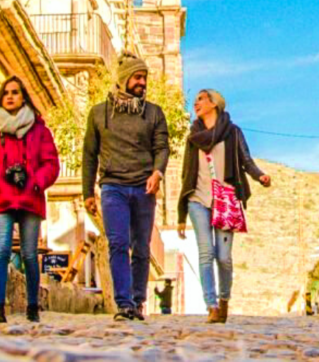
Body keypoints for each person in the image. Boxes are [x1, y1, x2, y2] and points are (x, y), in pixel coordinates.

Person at [83, 52, 170, 321]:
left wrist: (158, 172)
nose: (142, 82)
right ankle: (123, 304)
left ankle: (138, 301)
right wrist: (87, 192)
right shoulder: (99, 114)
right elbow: (89, 153)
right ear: (123, 80)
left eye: (144, 78)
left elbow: (162, 147)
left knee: (141, 247)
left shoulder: (154, 113)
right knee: (118, 243)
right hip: (113, 188)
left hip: (144, 187)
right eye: (137, 77)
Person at [177, 89, 270, 324]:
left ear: (214, 104)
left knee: (224, 257)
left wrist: (260, 177)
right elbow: (186, 175)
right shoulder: (193, 137)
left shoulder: (233, 133)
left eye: (201, 99)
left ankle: (224, 298)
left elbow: (246, 160)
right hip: (198, 200)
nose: (196, 103)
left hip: (225, 200)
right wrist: (180, 213)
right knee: (206, 252)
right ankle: (211, 306)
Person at [0, 76, 60, 324]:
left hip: (31, 198)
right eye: (6, 93)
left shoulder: (40, 131)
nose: (10, 96)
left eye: (15, 92)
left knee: (30, 254)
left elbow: (51, 164)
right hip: (2, 198)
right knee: (0, 250)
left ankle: (33, 305)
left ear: (24, 97)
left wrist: (35, 182)